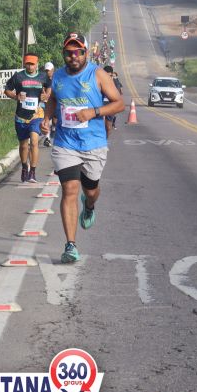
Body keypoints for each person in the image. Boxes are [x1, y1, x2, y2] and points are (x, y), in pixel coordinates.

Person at [41, 32, 124, 263]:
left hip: (93, 144)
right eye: (69, 53)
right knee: (69, 189)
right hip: (65, 143)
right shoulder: (58, 76)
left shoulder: (97, 74)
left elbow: (119, 104)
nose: (74, 56)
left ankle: (89, 205)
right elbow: (53, 99)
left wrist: (93, 112)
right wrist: (46, 118)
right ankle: (70, 245)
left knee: (90, 191)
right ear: (64, 54)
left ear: (86, 53)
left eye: (78, 52)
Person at [5, 54, 50, 183]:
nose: (30, 66)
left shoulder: (43, 76)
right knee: (24, 145)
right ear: (25, 64)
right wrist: (16, 97)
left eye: (32, 64)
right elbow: (7, 90)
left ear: (37, 64)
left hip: (37, 114)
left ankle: (33, 172)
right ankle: (25, 167)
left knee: (34, 141)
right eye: (28, 64)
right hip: (21, 116)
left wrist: (46, 95)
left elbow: (49, 87)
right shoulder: (18, 76)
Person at [102, 66, 124, 137]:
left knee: (108, 128)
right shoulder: (98, 81)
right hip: (100, 104)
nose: (108, 78)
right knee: (98, 126)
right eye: (106, 76)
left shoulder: (115, 82)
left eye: (110, 76)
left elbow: (118, 95)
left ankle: (105, 140)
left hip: (110, 105)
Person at [41, 62, 56, 148]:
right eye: (46, 70)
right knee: (47, 119)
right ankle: (47, 138)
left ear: (53, 70)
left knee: (55, 121)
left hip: (56, 101)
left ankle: (53, 129)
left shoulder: (57, 78)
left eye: (49, 70)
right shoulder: (42, 80)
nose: (47, 72)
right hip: (46, 103)